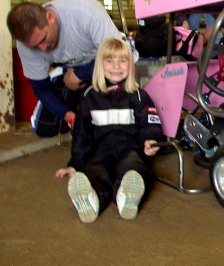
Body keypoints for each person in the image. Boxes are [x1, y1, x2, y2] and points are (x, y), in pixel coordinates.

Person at [55, 38, 162, 223]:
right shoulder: (89, 96)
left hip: (131, 148)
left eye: (122, 60)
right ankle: (92, 199)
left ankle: (126, 196)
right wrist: (76, 164)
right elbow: (81, 134)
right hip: (101, 150)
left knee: (135, 168)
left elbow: (150, 123)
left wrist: (150, 139)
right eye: (109, 60)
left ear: (130, 64)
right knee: (97, 172)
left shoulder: (139, 95)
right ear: (99, 65)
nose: (116, 66)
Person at [6, 0, 124, 128]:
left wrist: (79, 75)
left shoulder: (85, 11)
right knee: (46, 127)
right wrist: (70, 117)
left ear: (49, 18)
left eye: (43, 39)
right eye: (35, 46)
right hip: (67, 69)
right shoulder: (25, 43)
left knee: (113, 122)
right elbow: (41, 88)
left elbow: (118, 56)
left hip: (104, 61)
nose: (42, 48)